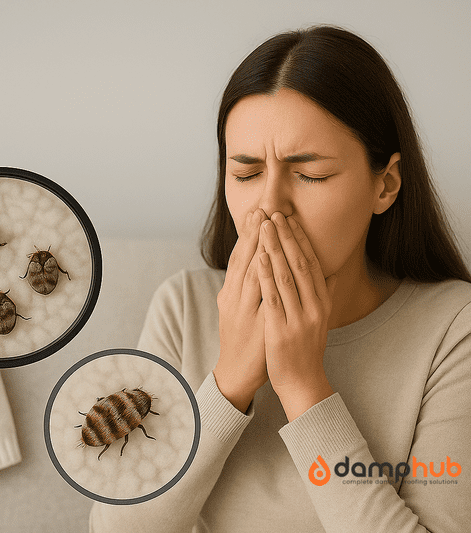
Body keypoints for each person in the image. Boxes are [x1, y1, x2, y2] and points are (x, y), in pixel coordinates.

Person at [89, 24, 471, 533]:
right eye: (245, 174)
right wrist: (228, 384)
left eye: (310, 175)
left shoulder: (453, 328)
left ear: (386, 185)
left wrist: (302, 384)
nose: (269, 205)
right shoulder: (184, 306)